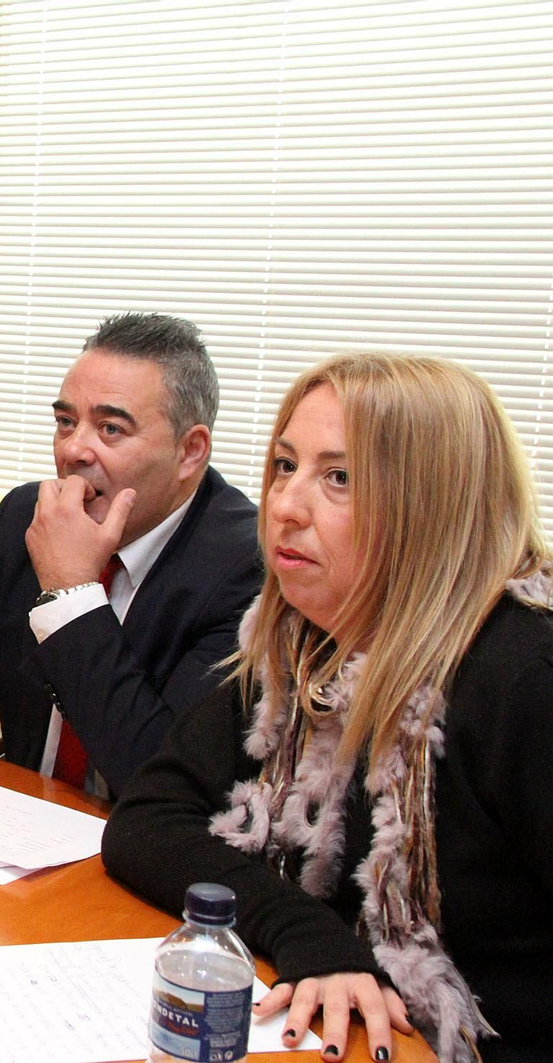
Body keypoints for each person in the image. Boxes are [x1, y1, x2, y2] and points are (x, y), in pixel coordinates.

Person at [102, 354, 553, 1063]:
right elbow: (147, 819)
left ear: (433, 502)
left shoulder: (523, 672)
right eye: (285, 465)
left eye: (338, 478)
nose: (285, 504)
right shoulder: (303, 645)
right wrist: (307, 932)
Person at [0, 313, 261, 813]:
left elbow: (162, 784)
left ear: (190, 451)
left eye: (111, 428)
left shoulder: (247, 567)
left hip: (148, 855)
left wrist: (71, 596)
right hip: (24, 828)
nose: (73, 450)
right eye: (66, 422)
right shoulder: (25, 516)